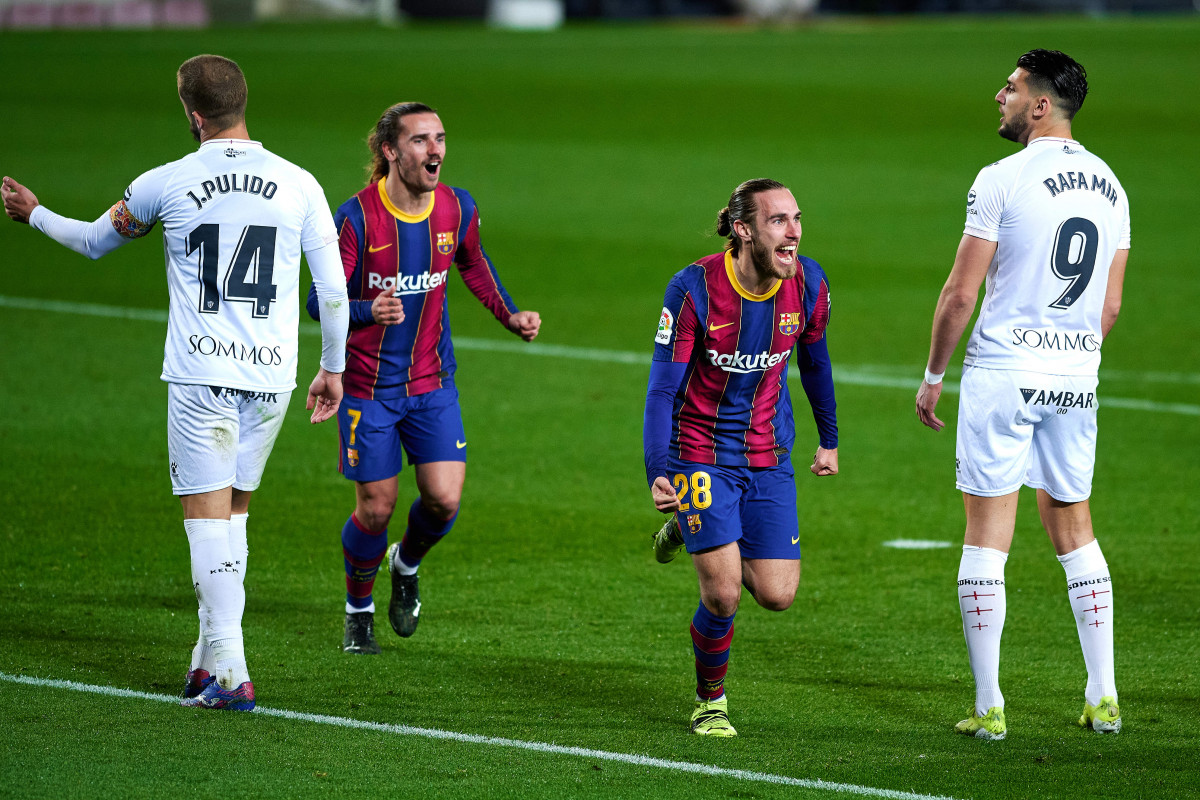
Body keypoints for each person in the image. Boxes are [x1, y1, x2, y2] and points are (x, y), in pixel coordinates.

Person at [2, 55, 350, 711]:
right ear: (243, 103)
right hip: (272, 377)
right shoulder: (300, 183)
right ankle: (204, 663)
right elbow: (333, 293)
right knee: (233, 515)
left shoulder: (166, 182)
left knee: (205, 523)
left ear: (193, 114)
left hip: (201, 377)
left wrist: (35, 213)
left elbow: (92, 242)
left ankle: (231, 671)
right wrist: (331, 369)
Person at [916, 49, 1130, 740]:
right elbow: (1110, 308)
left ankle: (989, 706)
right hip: (1076, 375)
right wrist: (1074, 358)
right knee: (1075, 530)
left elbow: (959, 293)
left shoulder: (1001, 179)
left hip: (1005, 369)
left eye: (1009, 88)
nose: (998, 96)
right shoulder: (1112, 186)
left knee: (988, 537)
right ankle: (1104, 697)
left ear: (1040, 104)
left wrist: (933, 374)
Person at [306, 102, 541, 655]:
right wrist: (367, 310)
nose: (434, 150)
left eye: (439, 138)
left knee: (442, 501)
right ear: (390, 151)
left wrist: (507, 314)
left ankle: (405, 563)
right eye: (419, 140)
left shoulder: (457, 207)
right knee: (377, 508)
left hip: (432, 382)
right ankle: (358, 612)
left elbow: (473, 261)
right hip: (367, 388)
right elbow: (319, 301)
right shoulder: (356, 219)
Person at [643, 179, 838, 736]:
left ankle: (692, 529)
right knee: (724, 593)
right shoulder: (693, 290)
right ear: (743, 229)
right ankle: (711, 700)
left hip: (768, 452)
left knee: (777, 595)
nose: (794, 232)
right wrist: (659, 469)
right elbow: (662, 390)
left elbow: (816, 364)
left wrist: (830, 438)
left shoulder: (809, 283)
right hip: (698, 452)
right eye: (779, 221)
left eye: (797, 218)